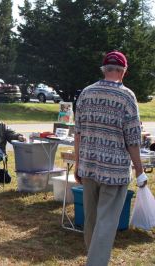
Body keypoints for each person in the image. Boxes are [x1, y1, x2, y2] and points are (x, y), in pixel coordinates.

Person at [74, 50, 148, 266]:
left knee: (91, 219)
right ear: (123, 72)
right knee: (106, 222)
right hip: (114, 171)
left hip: (88, 167)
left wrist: (78, 163)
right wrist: (140, 170)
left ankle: (93, 257)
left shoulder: (86, 93)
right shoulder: (126, 96)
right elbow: (133, 139)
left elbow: (78, 133)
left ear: (104, 70)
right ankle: (95, 263)